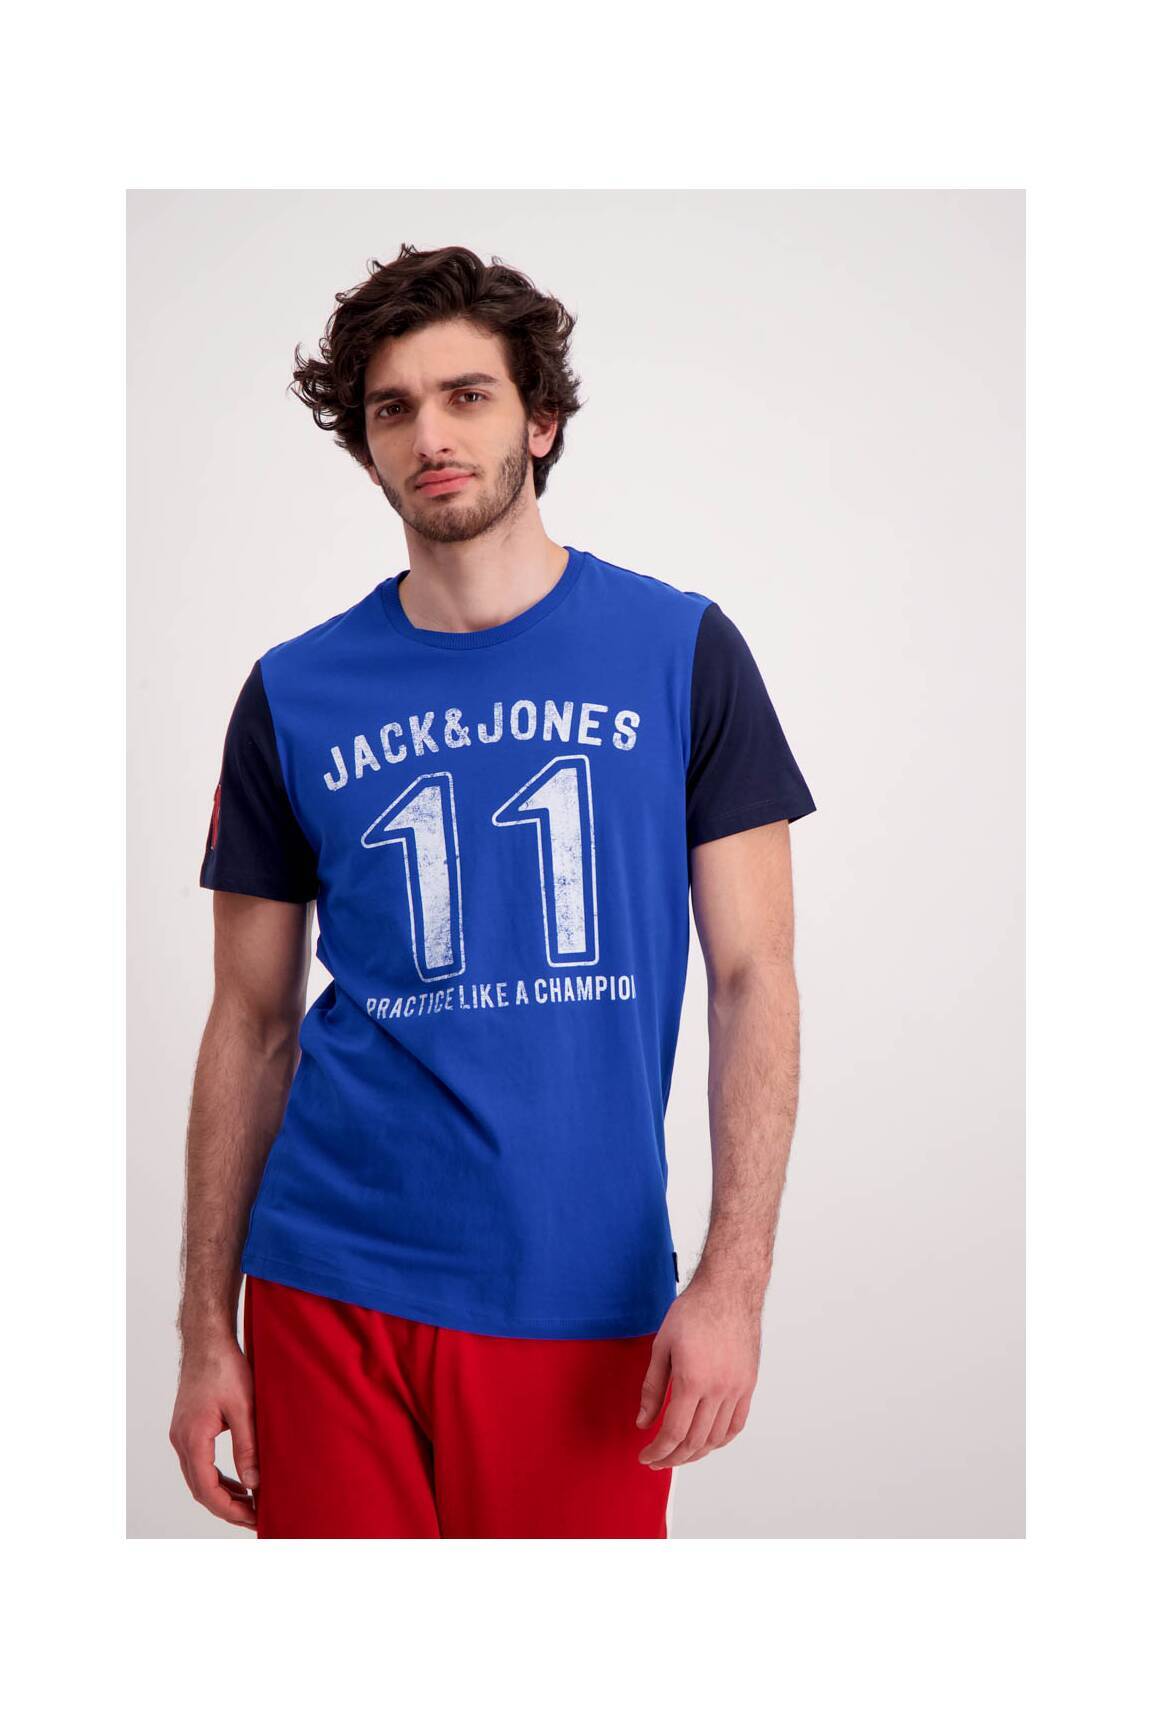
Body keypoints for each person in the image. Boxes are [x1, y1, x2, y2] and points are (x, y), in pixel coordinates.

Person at [169, 243, 816, 1539]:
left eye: (467, 395)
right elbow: (250, 1019)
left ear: (542, 419)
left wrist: (734, 1283)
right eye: (393, 409)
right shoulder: (291, 693)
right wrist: (204, 1329)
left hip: (581, 1296)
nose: (431, 436)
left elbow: (755, 978)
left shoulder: (682, 650)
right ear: (367, 449)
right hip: (327, 1283)